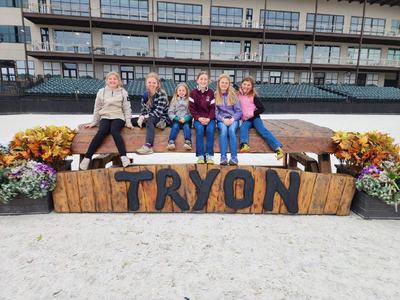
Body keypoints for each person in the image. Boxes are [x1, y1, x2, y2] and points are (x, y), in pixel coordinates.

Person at [79, 71, 133, 170]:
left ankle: (124, 157)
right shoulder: (101, 92)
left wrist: (128, 122)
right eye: (110, 79)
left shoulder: (123, 92)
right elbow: (97, 107)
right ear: (106, 80)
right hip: (105, 116)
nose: (112, 81)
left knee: (114, 131)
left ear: (119, 81)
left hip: (118, 117)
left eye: (115, 79)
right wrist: (94, 122)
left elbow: (127, 108)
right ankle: (87, 158)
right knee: (102, 131)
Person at [237, 76, 284, 160]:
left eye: (248, 85)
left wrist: (252, 113)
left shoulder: (253, 96)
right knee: (243, 128)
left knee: (262, 130)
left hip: (255, 118)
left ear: (251, 87)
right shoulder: (238, 95)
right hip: (246, 119)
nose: (246, 86)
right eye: (244, 84)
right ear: (241, 85)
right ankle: (245, 145)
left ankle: (278, 148)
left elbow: (262, 109)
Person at [133, 72, 169, 155]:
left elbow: (158, 112)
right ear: (146, 83)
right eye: (149, 82)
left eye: (154, 82)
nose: (151, 84)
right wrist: (141, 116)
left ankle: (148, 146)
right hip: (150, 116)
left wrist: (145, 117)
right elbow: (144, 110)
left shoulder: (162, 94)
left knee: (149, 121)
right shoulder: (145, 95)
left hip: (161, 117)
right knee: (132, 121)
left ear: (157, 84)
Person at [215, 74, 242, 165]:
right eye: (222, 82)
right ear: (219, 83)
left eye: (226, 83)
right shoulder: (215, 95)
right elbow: (215, 112)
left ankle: (234, 158)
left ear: (229, 84)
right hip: (221, 119)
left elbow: (239, 111)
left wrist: (233, 119)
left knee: (231, 130)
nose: (224, 84)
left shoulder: (233, 95)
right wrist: (222, 119)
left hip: (233, 119)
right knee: (223, 130)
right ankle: (223, 157)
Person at [189, 71, 216, 164]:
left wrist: (209, 118)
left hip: (210, 118)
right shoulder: (193, 93)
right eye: (201, 79)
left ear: (208, 81)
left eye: (205, 79)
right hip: (198, 119)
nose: (203, 81)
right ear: (197, 80)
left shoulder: (211, 93)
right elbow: (191, 109)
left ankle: (209, 155)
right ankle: (200, 155)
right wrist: (198, 118)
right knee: (199, 130)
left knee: (210, 130)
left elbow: (213, 108)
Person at [167, 82, 192, 150]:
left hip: (185, 120)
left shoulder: (188, 101)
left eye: (183, 90)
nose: (181, 92)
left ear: (186, 92)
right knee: (175, 126)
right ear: (177, 92)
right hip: (176, 120)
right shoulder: (174, 101)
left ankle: (188, 141)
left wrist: (186, 118)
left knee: (186, 127)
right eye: (179, 90)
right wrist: (177, 118)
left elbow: (191, 113)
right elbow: (170, 112)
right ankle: (171, 141)